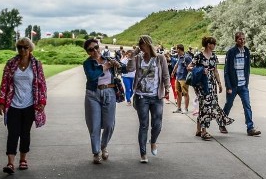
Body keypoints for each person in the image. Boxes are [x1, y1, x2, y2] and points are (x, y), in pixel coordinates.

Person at [0, 37, 48, 175]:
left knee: (25, 133)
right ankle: (10, 163)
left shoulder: (36, 64)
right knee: (12, 133)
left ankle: (23, 159)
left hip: (30, 104)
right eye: (20, 47)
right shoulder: (11, 63)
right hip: (13, 104)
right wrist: (1, 102)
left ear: (30, 48)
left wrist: (42, 102)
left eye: (25, 47)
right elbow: (4, 83)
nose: (22, 50)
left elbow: (42, 84)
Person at [82, 38, 125, 164]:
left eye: (96, 47)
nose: (95, 51)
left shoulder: (109, 59)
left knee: (109, 124)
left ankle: (104, 146)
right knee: (94, 125)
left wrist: (118, 65)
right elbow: (91, 76)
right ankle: (96, 152)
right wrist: (104, 67)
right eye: (91, 49)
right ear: (88, 52)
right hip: (93, 94)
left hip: (109, 92)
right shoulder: (87, 63)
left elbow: (124, 69)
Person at [132, 35, 171, 163]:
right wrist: (133, 54)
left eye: (142, 44)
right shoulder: (138, 59)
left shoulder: (159, 58)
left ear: (148, 44)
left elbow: (165, 74)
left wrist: (167, 88)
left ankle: (153, 141)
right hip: (141, 96)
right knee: (144, 125)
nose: (140, 47)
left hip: (156, 96)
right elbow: (129, 68)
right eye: (139, 44)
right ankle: (143, 154)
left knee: (157, 124)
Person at [190, 36, 233, 140]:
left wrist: (219, 84)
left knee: (206, 106)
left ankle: (198, 130)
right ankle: (204, 131)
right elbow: (189, 67)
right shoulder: (199, 56)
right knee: (205, 106)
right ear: (209, 44)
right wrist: (200, 70)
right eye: (214, 44)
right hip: (201, 85)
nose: (215, 46)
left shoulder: (214, 56)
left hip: (212, 84)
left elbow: (215, 71)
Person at [223, 31, 262, 136]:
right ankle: (222, 123)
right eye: (240, 39)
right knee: (229, 104)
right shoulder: (231, 52)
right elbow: (227, 71)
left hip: (243, 85)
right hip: (233, 85)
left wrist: (246, 82)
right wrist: (228, 86)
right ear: (236, 40)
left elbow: (247, 68)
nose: (243, 41)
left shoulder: (246, 51)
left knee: (247, 106)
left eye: (244, 39)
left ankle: (250, 128)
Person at [171, 44, 193, 114]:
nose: (175, 50)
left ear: (179, 49)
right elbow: (177, 64)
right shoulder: (179, 56)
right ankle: (179, 108)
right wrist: (173, 72)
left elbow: (192, 66)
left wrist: (189, 71)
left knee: (185, 93)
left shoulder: (187, 57)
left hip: (184, 78)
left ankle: (186, 109)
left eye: (176, 49)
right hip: (178, 77)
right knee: (178, 93)